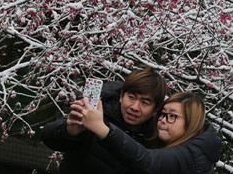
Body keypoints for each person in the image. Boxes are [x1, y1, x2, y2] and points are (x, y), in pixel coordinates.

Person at [41, 67, 167, 174]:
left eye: (145, 103)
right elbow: (48, 137)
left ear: (155, 109)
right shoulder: (96, 111)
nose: (134, 107)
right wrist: (69, 131)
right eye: (131, 97)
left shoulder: (158, 135)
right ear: (121, 96)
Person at [70, 92, 221, 174]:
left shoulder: (190, 156)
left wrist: (101, 128)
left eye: (172, 116)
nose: (163, 120)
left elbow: (149, 162)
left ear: (191, 123)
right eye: (163, 114)